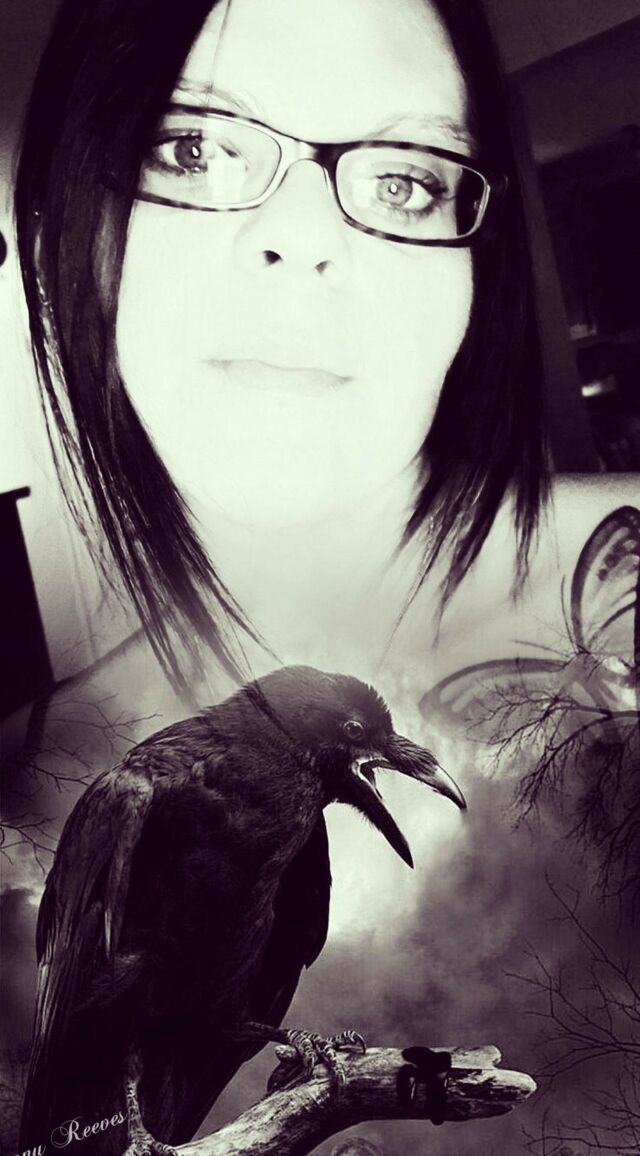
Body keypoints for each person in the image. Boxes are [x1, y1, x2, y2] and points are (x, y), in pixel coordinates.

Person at [3, 0, 639, 1152]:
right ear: (59, 227)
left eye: (406, 178)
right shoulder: (99, 790)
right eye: (189, 147)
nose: (302, 242)